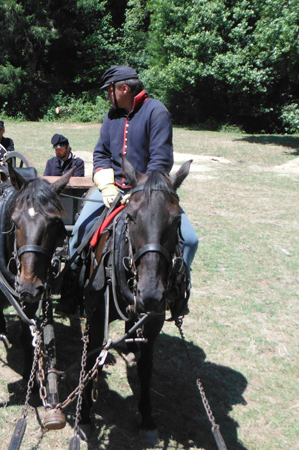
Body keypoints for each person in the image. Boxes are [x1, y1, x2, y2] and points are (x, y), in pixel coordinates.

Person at [64, 65, 199, 312]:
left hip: (149, 193)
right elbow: (101, 153)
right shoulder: (111, 117)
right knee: (78, 233)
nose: (108, 96)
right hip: (111, 189)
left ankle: (177, 290)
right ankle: (70, 292)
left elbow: (160, 161)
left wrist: (138, 191)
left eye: (109, 91)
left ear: (123, 88)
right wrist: (106, 185)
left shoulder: (157, 112)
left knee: (190, 240)